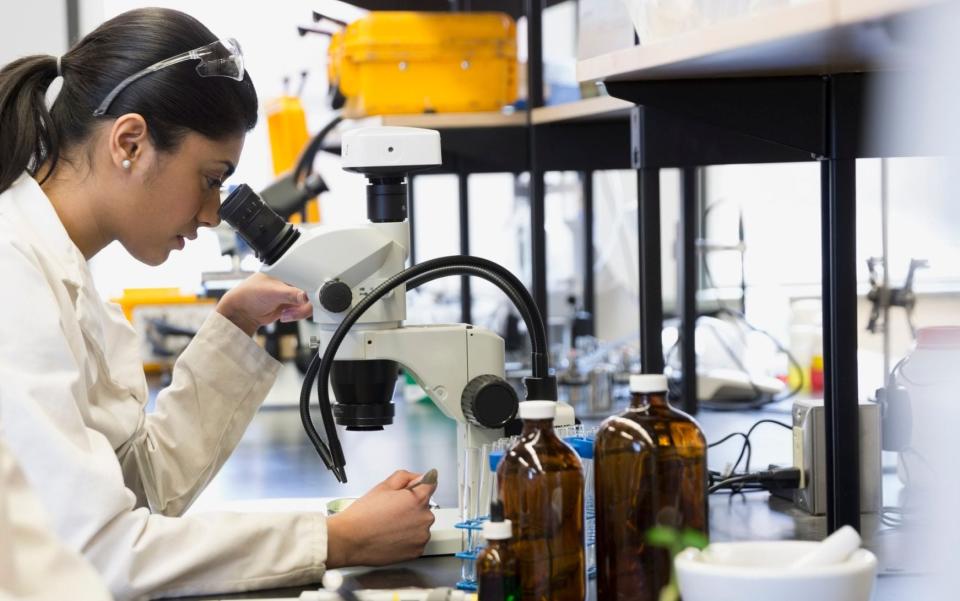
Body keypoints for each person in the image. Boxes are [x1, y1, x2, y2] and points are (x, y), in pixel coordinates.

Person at [0, 7, 435, 600]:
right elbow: (98, 555)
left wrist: (232, 327)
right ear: (130, 142)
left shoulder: (63, 272)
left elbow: (143, 493)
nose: (212, 215)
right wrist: (333, 540)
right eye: (210, 178)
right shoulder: (13, 273)